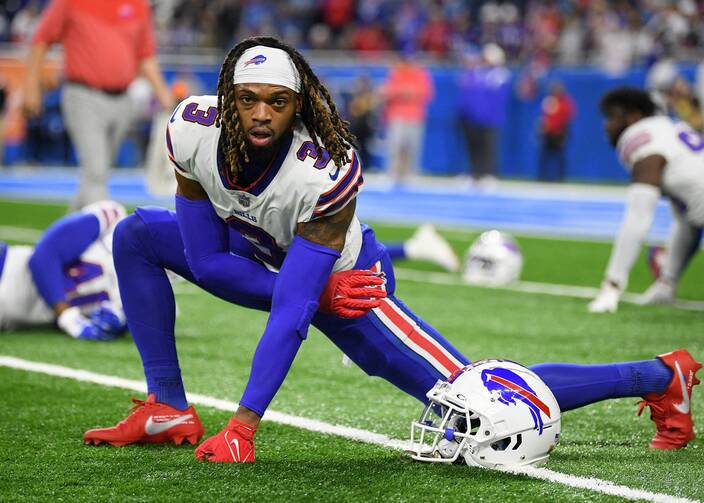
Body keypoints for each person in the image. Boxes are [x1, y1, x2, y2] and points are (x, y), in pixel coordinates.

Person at [83, 38, 700, 462]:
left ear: (301, 104)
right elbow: (209, 260)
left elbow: (294, 312)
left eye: (278, 101)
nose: (261, 115)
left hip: (349, 283)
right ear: (227, 97)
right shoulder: (192, 127)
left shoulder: (323, 169)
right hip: (272, 267)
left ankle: (657, 374)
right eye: (248, 100)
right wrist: (304, 291)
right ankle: (167, 406)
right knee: (136, 235)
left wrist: (243, 426)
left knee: (476, 403)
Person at [21, 0, 174, 211]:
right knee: (96, 172)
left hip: (123, 99)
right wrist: (30, 87)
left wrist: (162, 92)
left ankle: (69, 236)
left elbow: (145, 55)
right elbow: (41, 40)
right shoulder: (72, 2)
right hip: (83, 95)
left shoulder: (138, 6)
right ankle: (104, 235)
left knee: (96, 176)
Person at [589, 87, 704, 313]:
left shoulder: (642, 139)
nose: (606, 125)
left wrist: (612, 284)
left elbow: (638, 217)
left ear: (633, 117)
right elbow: (689, 220)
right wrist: (667, 281)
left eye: (612, 116)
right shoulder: (670, 129)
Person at [0, 200, 128, 340]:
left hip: (10, 315)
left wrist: (118, 321)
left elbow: (115, 321)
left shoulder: (145, 299)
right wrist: (67, 316)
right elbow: (44, 256)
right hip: (7, 267)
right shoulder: (115, 222)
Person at [457, 44, 510, 185]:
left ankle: (489, 174)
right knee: (473, 147)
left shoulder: (499, 74)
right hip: (473, 117)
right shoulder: (476, 73)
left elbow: (497, 89)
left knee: (488, 147)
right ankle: (474, 173)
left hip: (490, 117)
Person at [381, 51, 434, 184]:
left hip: (415, 116)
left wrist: (405, 92)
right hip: (397, 115)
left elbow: (426, 93)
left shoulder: (421, 74)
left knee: (412, 147)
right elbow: (388, 91)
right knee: (395, 146)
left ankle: (410, 174)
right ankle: (393, 174)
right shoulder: (397, 73)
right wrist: (405, 92)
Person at [537, 81, 575, 182]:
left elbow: (567, 118)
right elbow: (544, 117)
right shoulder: (548, 100)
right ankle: (543, 177)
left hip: (559, 133)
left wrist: (563, 132)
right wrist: (541, 128)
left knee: (559, 156)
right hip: (548, 133)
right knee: (545, 156)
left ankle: (560, 177)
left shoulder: (566, 102)